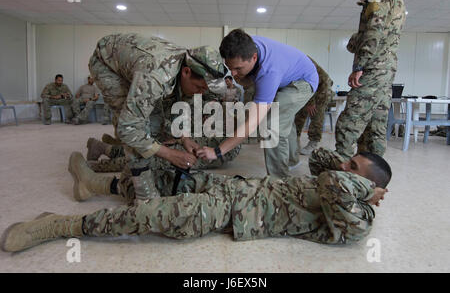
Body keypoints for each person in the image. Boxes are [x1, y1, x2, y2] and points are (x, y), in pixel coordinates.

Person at [0, 147, 391, 253]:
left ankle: (60, 225)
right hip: (232, 188)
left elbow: (334, 184)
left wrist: (366, 191)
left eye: (352, 166)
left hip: (231, 213)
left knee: (155, 215)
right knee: (166, 172)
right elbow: (323, 159)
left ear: (367, 186)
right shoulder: (337, 178)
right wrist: (352, 167)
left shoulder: (356, 219)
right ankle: (95, 185)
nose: (341, 167)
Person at [86, 33, 241, 202]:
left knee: (156, 124)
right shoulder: (156, 77)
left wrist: (183, 138)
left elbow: (175, 108)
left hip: (137, 65)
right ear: (186, 72)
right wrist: (169, 154)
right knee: (139, 126)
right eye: (199, 87)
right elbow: (128, 128)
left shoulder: (189, 65)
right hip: (107, 64)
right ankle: (144, 196)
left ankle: (129, 175)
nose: (200, 93)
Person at [197, 29, 319, 178]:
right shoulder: (245, 45)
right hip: (287, 74)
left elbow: (252, 124)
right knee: (282, 117)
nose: (233, 74)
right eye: (230, 68)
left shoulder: (268, 72)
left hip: (303, 81)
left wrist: (217, 151)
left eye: (238, 68)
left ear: (254, 58)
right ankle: (292, 161)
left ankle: (279, 182)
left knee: (271, 125)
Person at [334, 0, 406, 160]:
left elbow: (374, 28)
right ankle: (372, 180)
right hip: (386, 70)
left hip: (373, 69)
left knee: (348, 125)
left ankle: (341, 182)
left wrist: (359, 66)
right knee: (374, 128)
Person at [294, 57, 334, 155]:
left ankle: (313, 142)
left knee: (316, 114)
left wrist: (310, 103)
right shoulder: (293, 62)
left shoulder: (302, 62)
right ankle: (295, 139)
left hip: (322, 88)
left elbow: (310, 81)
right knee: (299, 113)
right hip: (309, 88)